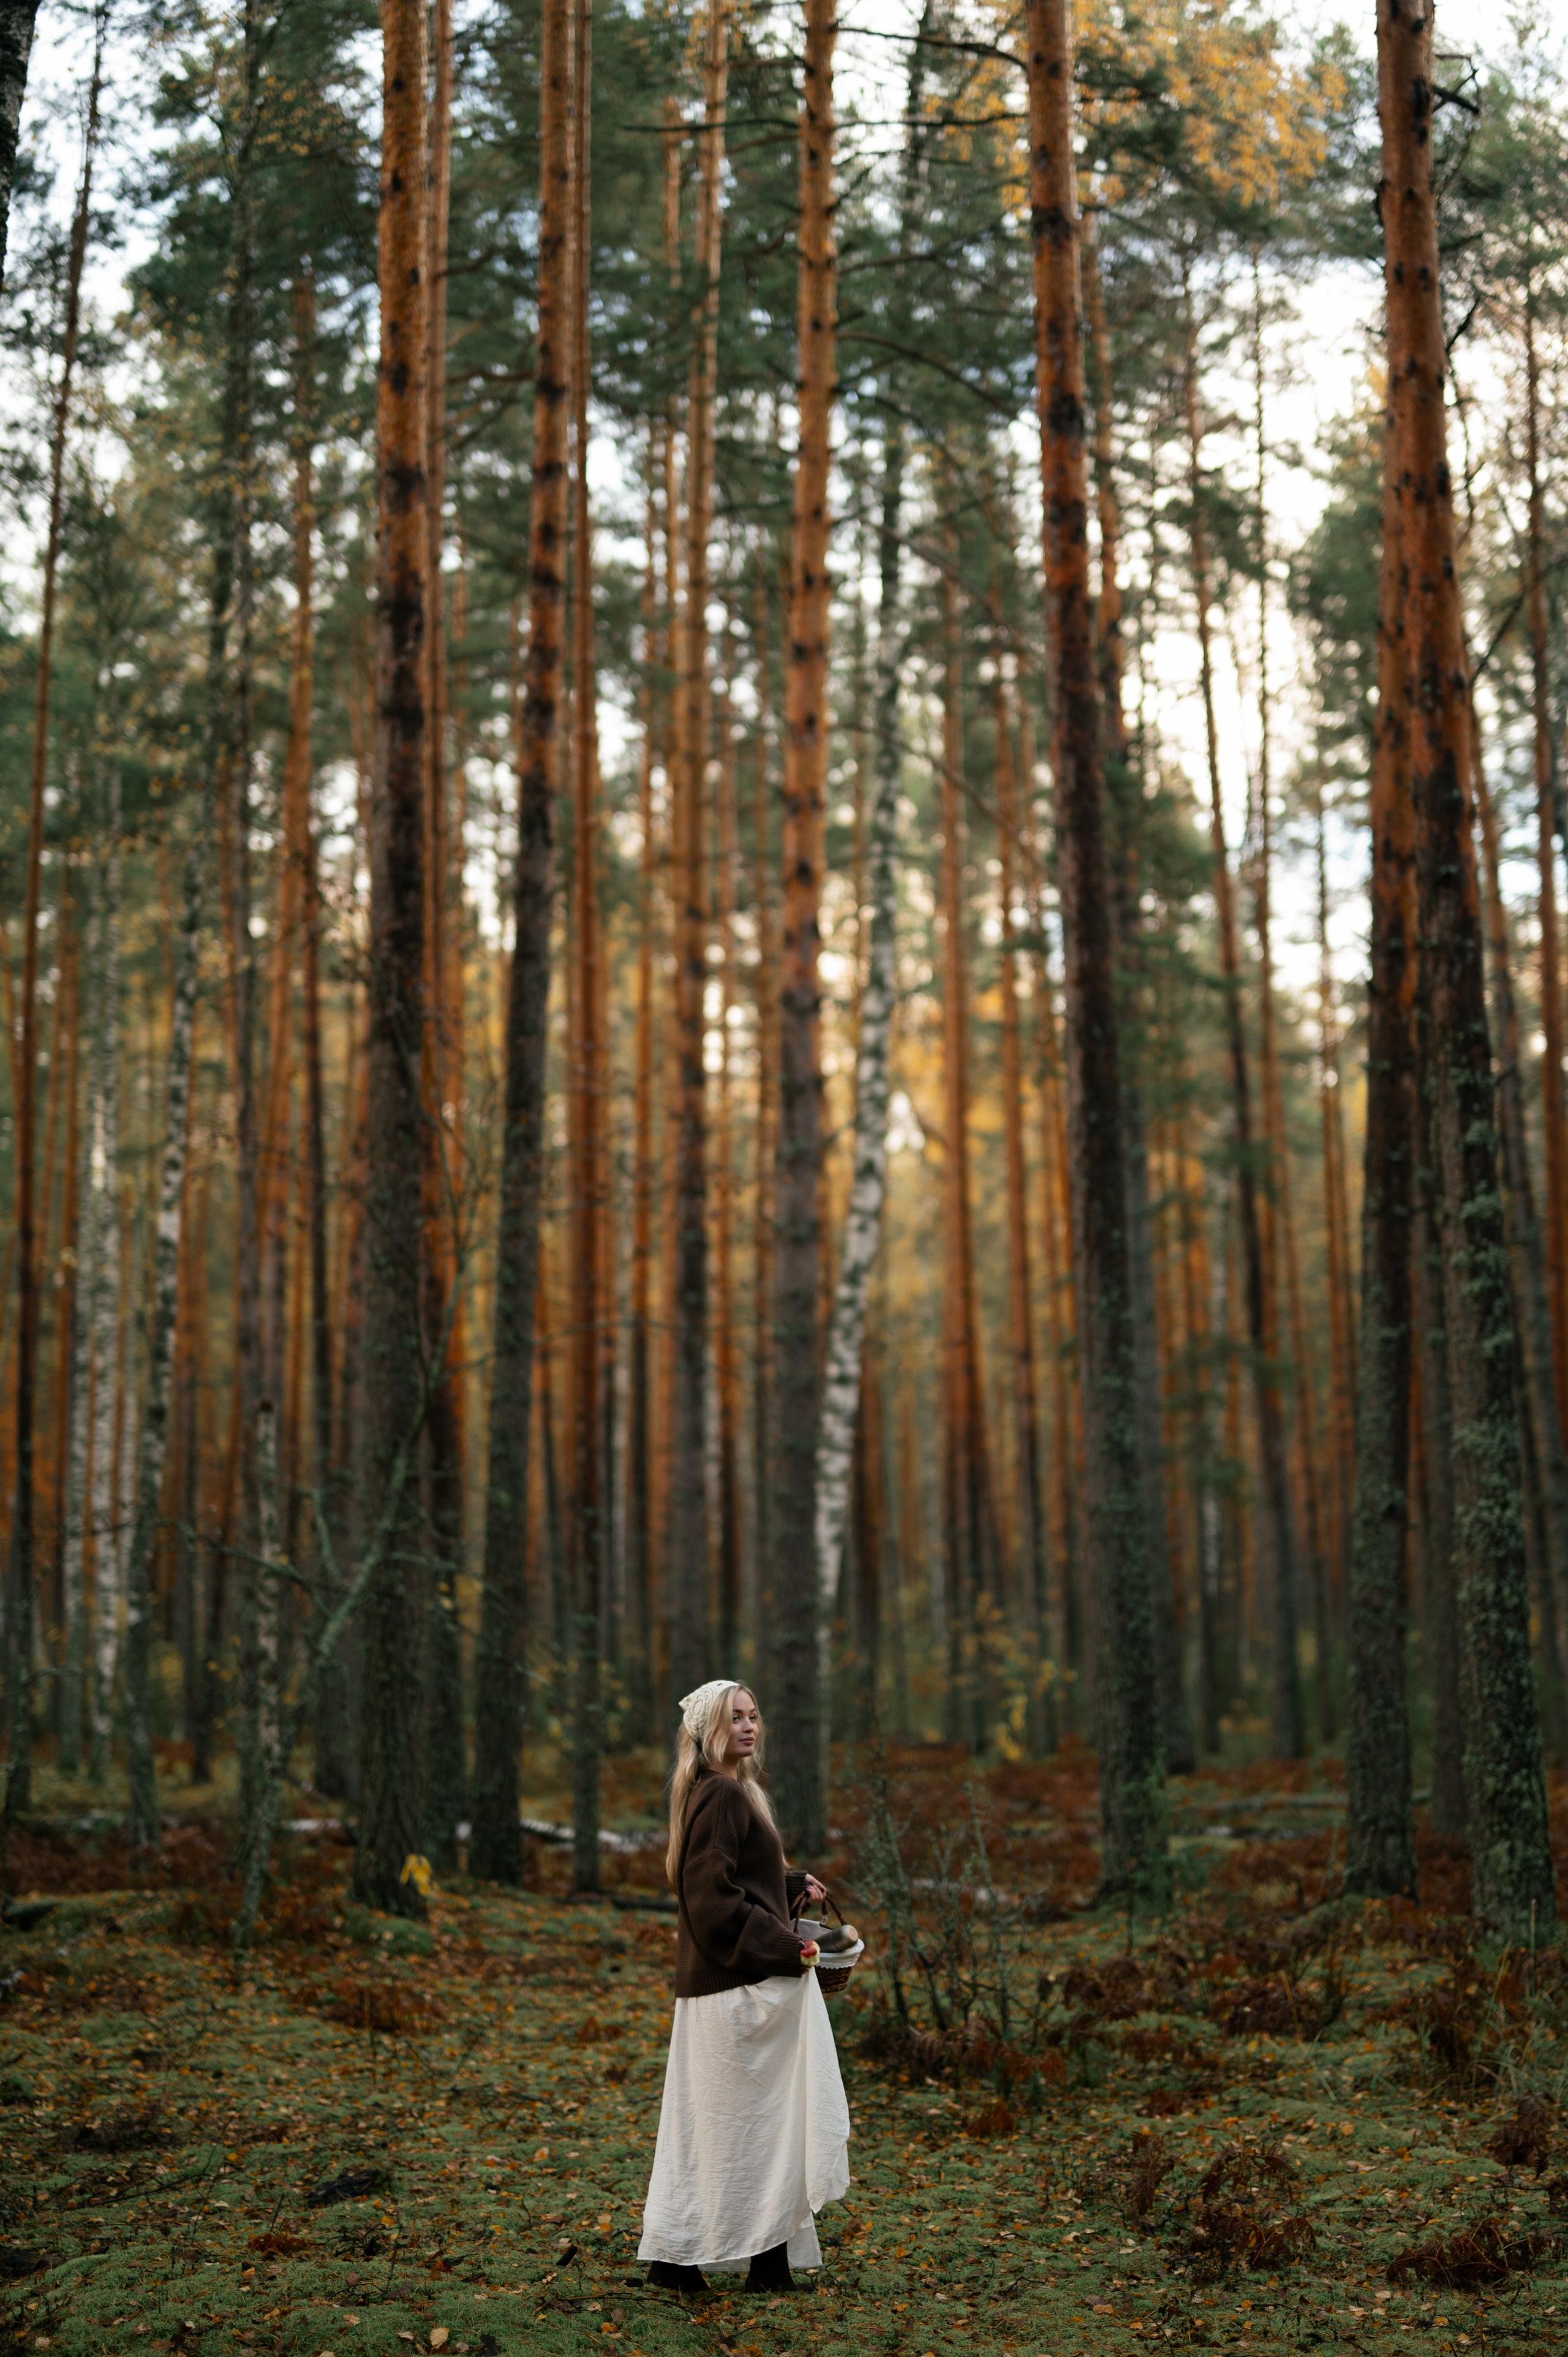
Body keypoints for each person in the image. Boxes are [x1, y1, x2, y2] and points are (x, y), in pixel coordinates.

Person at [637, 1679, 851, 2296]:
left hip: (734, 1986)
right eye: (736, 1717)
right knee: (734, 2125)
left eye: (755, 1714)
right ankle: (680, 2261)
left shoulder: (731, 1791)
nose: (749, 1725)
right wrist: (796, 1946)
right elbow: (712, 1903)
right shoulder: (724, 1792)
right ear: (708, 1727)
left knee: (756, 2124)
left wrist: (788, 1882)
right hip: (733, 1992)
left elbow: (736, 1880)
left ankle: (763, 2262)